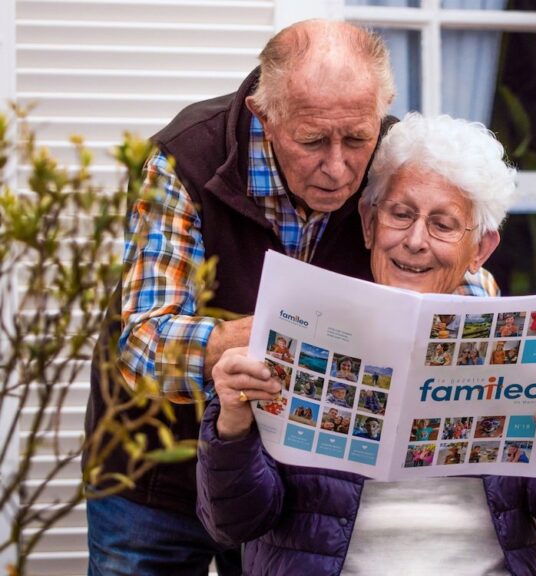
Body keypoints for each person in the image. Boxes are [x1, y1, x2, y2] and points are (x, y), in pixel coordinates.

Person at [197, 113, 536, 575]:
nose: (415, 241)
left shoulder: (515, 341)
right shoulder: (302, 325)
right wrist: (231, 428)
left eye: (443, 224)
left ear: (480, 250)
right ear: (370, 224)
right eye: (401, 214)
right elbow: (231, 523)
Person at [82, 19, 421, 576]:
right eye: (312, 141)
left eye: (357, 139)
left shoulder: (392, 153)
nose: (338, 168)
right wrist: (263, 341)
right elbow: (142, 343)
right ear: (267, 114)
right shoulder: (183, 157)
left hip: (289, 485)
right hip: (156, 478)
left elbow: (447, 261)